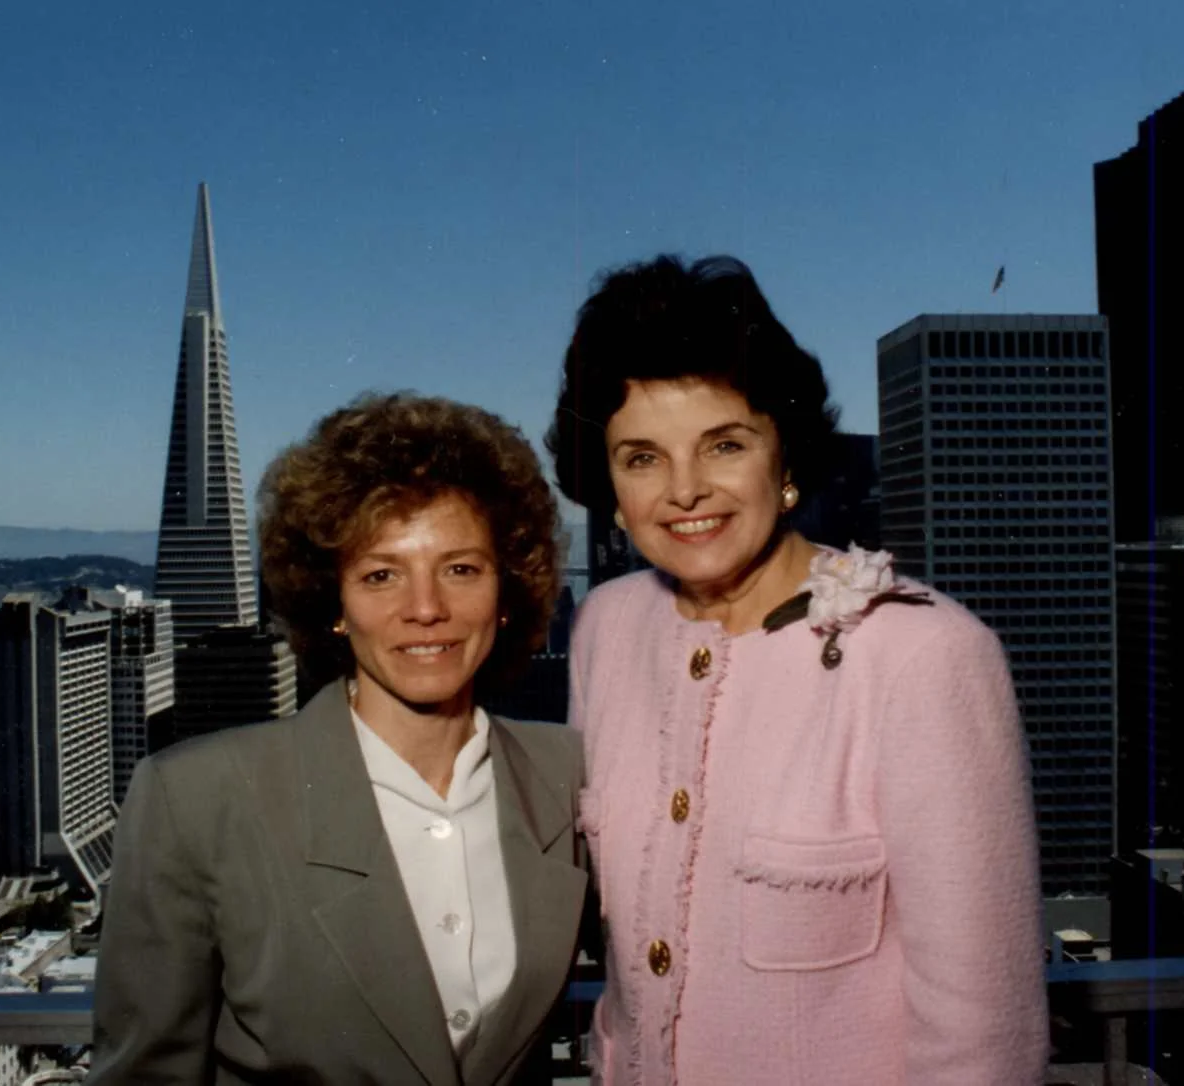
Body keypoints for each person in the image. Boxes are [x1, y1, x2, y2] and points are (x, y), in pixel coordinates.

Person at [547, 255, 1048, 1085]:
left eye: (724, 444)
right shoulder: (607, 626)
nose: (684, 490)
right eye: (641, 457)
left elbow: (984, 1038)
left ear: (785, 460)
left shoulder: (925, 656)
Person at [91, 393, 589, 1085]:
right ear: (333, 602)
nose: (425, 608)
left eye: (461, 568)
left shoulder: (565, 775)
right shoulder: (196, 800)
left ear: (507, 594)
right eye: (381, 574)